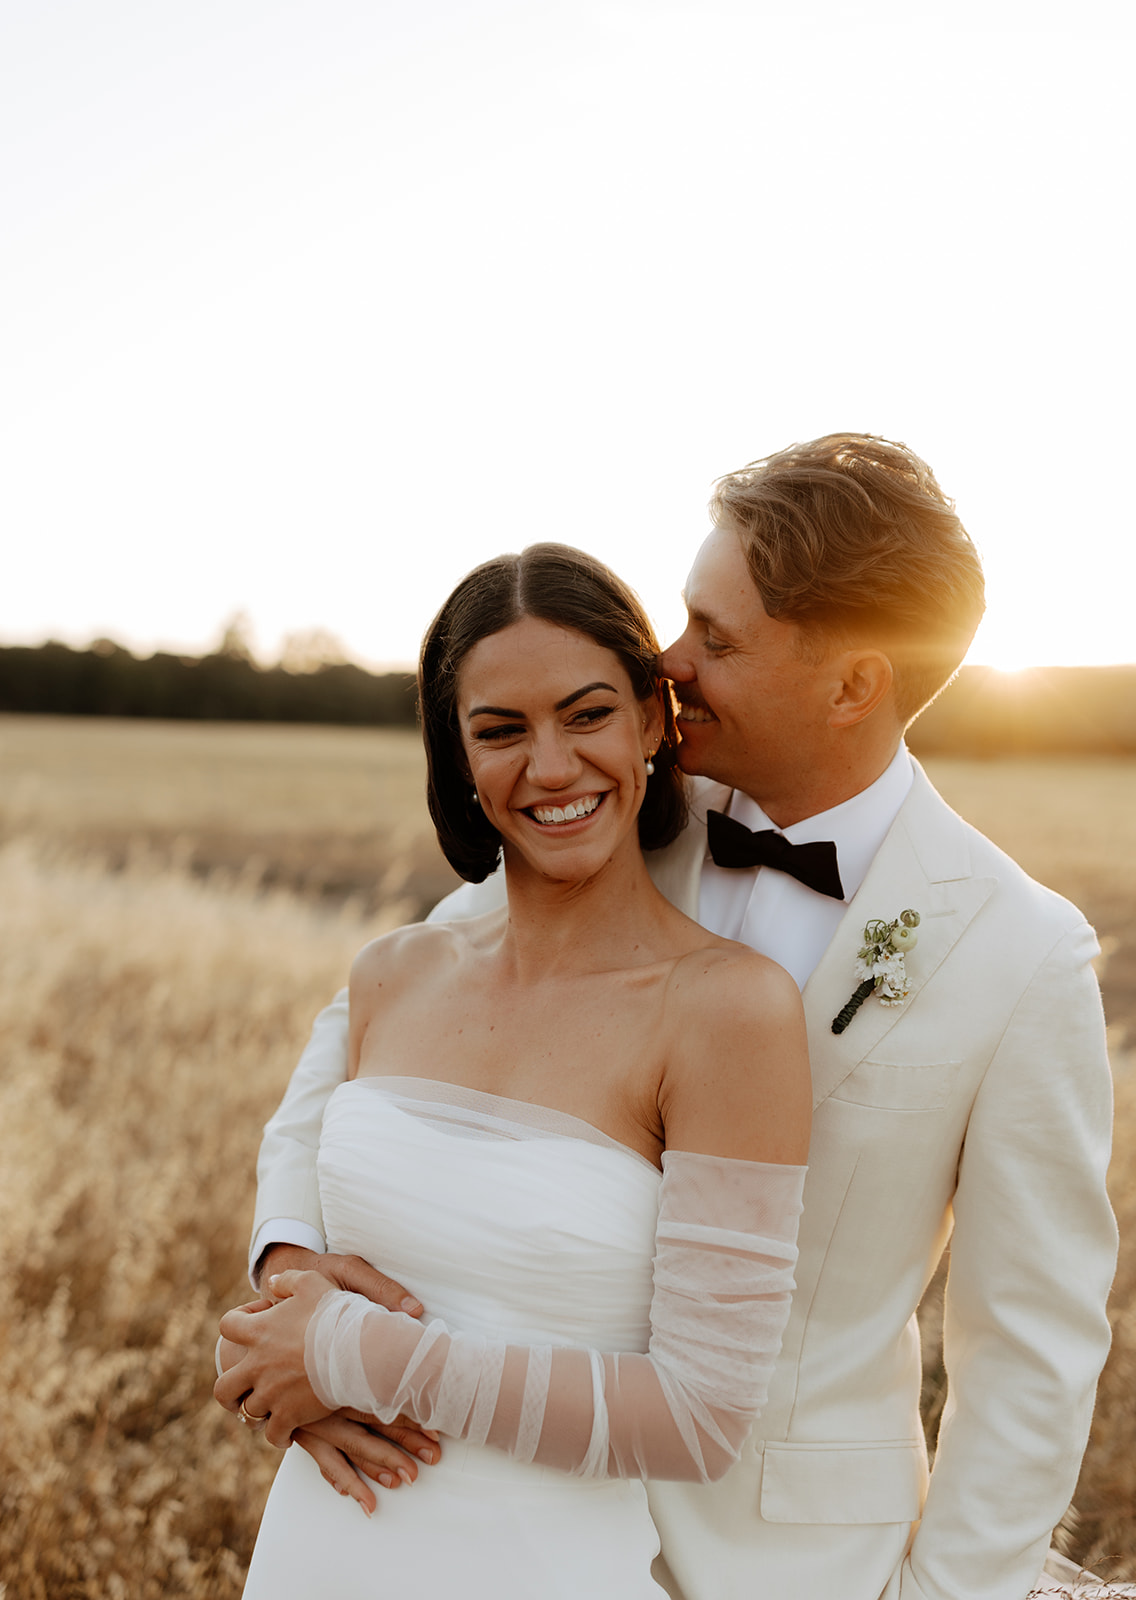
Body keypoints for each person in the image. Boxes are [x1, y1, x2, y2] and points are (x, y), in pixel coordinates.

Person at [241, 434, 1118, 1600]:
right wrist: (295, 1283)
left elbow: (1030, 1353)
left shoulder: (1016, 951)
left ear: (854, 682)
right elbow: (353, 1053)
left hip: (789, 1562)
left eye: (715, 636)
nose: (665, 657)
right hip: (488, 1502)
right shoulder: (602, 803)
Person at [215, 543, 812, 1598]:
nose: (547, 766)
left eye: (585, 714)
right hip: (313, 1552)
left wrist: (345, 1356)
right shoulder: (394, 970)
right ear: (457, 759)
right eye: (499, 730)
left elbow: (699, 1417)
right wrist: (272, 1331)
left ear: (649, 721)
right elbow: (300, 1209)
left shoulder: (729, 1011)